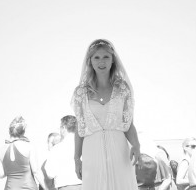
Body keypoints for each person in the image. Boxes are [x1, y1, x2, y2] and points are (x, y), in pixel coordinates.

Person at [71, 39, 141, 190]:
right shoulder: (81, 92)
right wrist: (77, 158)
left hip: (119, 151)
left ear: (112, 60)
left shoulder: (123, 89)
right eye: (96, 57)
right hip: (91, 152)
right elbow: (79, 127)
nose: (101, 61)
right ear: (90, 61)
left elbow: (128, 124)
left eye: (105, 57)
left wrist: (136, 145)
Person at [0, 116, 47, 190]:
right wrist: (46, 188)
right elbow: (36, 171)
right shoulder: (29, 147)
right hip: (29, 187)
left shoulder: (1, 150)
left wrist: (12, 169)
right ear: (23, 132)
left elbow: (1, 174)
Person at [45, 115, 82, 190]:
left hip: (65, 186)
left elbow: (50, 174)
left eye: (60, 127)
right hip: (86, 185)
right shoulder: (84, 146)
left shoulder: (56, 149)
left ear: (64, 128)